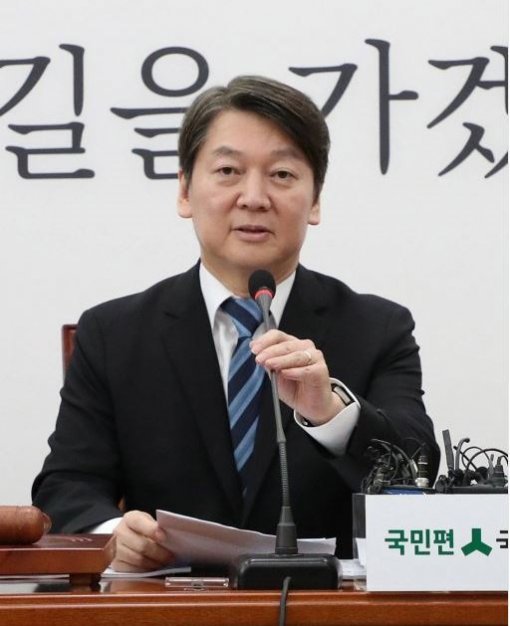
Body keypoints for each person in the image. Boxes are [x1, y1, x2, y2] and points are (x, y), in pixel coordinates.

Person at [32, 75, 440, 572]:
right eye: (228, 170)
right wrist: (115, 534)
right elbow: (66, 485)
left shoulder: (377, 328)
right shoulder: (113, 334)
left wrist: (330, 413)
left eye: (282, 174)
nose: (254, 197)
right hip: (166, 603)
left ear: (315, 200)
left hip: (326, 603)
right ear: (185, 191)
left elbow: (417, 474)